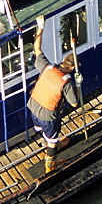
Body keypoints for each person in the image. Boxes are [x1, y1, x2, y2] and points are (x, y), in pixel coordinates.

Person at [28, 16, 81, 173]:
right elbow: (74, 103)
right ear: (72, 68)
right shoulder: (66, 82)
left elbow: (37, 48)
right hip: (48, 115)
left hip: (33, 105)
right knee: (51, 139)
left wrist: (41, 27)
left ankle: (54, 143)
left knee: (43, 131)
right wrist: (77, 84)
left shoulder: (48, 67)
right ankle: (50, 165)